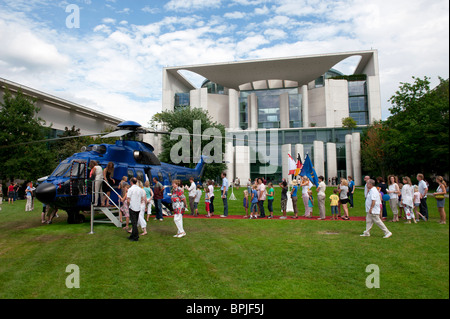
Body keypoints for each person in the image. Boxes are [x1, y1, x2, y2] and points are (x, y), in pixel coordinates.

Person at [126, 177, 141, 241]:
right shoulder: (139, 189)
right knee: (135, 221)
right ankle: (132, 235)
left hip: (132, 207)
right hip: (138, 207)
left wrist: (128, 205)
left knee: (133, 222)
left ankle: (135, 236)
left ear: (131, 182)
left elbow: (128, 199)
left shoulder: (130, 189)